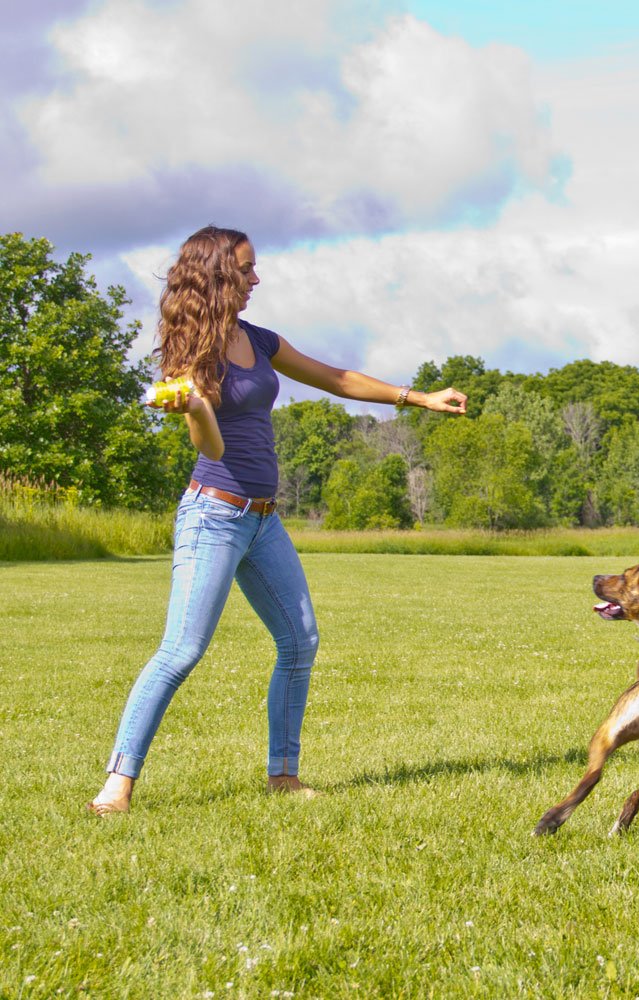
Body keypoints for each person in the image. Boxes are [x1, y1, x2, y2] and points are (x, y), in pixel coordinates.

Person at [88, 225, 466, 815]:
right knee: (182, 649)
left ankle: (283, 776)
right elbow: (210, 448)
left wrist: (417, 397)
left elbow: (335, 378)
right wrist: (194, 409)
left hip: (264, 520)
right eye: (246, 269)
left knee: (299, 641)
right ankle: (118, 782)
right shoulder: (194, 353)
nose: (256, 278)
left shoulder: (258, 340)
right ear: (216, 275)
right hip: (213, 513)